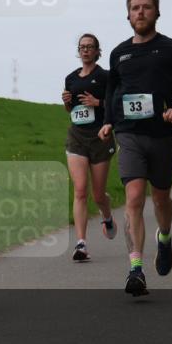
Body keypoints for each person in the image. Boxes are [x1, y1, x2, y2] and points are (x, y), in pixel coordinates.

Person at [98, 0, 172, 297]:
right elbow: (111, 92)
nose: (140, 12)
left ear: (157, 13)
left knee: (160, 199)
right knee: (133, 198)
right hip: (128, 134)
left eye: (146, 7)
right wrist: (107, 121)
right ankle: (135, 269)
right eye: (135, 8)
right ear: (128, 15)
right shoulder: (119, 53)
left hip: (162, 136)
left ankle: (165, 237)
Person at [62, 33, 117, 262]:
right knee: (80, 190)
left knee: (97, 194)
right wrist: (66, 103)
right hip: (76, 137)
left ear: (97, 51)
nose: (85, 50)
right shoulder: (70, 78)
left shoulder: (105, 76)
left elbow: (116, 103)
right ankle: (81, 244)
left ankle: (107, 216)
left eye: (90, 47)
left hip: (100, 137)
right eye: (82, 47)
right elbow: (72, 110)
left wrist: (98, 103)